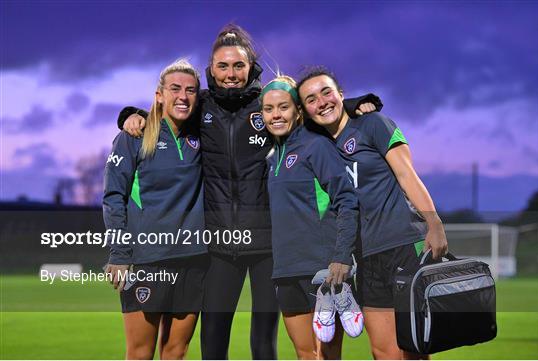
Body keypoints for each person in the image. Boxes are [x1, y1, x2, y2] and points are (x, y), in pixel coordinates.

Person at [117, 24, 381, 359]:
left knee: (262, 345)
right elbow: (171, 110)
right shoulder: (202, 105)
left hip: (265, 248)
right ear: (211, 70)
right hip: (217, 248)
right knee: (212, 345)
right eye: (222, 67)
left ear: (250, 67)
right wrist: (133, 115)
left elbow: (307, 107)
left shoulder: (266, 103)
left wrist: (354, 103)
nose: (230, 74)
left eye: (238, 66)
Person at [296, 67, 449, 360]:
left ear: (341, 94)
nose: (322, 101)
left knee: (414, 347)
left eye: (327, 92)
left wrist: (434, 222)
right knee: (383, 352)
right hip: (364, 257)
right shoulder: (317, 146)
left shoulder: (374, 124)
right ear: (306, 110)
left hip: (403, 246)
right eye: (311, 99)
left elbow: (407, 175)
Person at [103, 59, 208, 360]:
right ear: (159, 94)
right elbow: (113, 198)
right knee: (140, 353)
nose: (183, 96)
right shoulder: (132, 138)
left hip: (193, 259)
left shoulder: (201, 135)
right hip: (147, 260)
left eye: (190, 90)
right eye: (175, 89)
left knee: (176, 352)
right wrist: (120, 255)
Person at [261, 76, 363, 359]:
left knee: (326, 356)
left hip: (320, 269)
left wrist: (342, 256)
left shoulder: (316, 146)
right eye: (269, 109)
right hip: (285, 269)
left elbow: (347, 200)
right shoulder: (273, 156)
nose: (276, 115)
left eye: (283, 107)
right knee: (305, 354)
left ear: (297, 111)